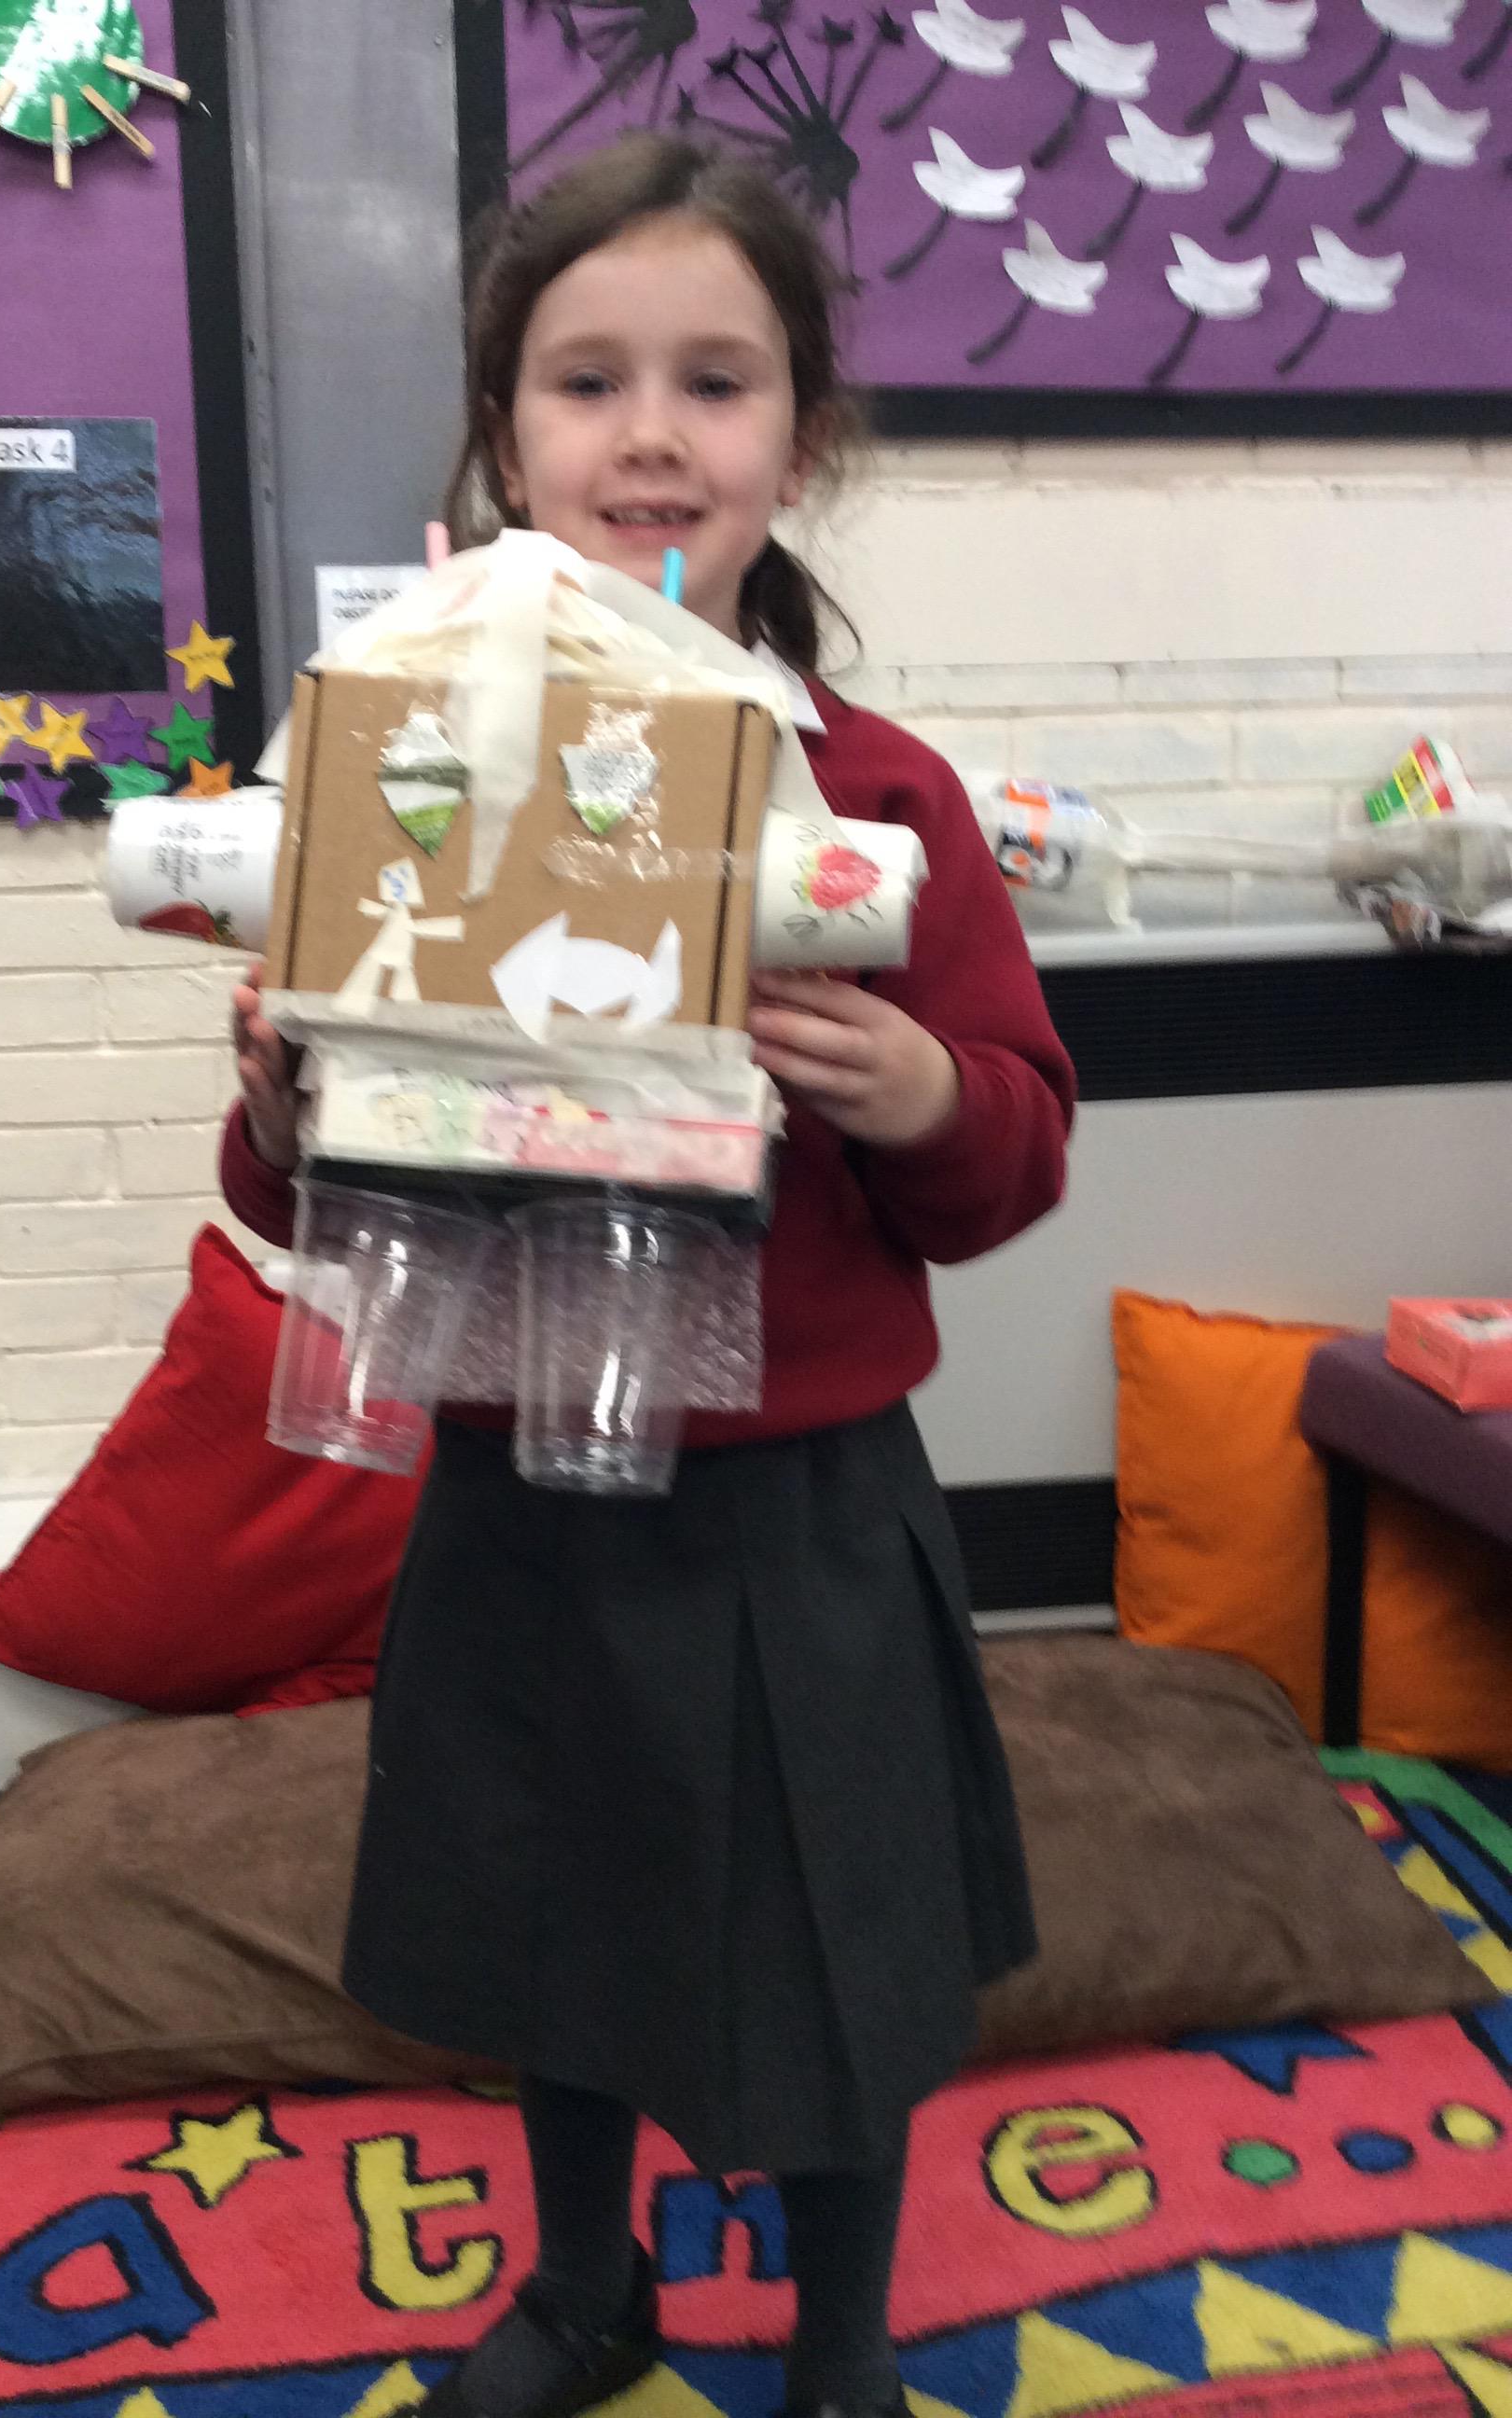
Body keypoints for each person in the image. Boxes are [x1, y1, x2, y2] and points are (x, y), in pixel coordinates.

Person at [223, 132, 1075, 2418]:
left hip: (799, 1511)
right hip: (520, 1480)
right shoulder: (410, 764)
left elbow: (1008, 1155)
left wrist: (915, 1084)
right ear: (505, 438)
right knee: (549, 1918)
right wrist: (290, 1093)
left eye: (715, 380)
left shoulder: (870, 796)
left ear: (801, 434)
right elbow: (307, 1183)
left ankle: (840, 2348)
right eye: (585, 381)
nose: (649, 434)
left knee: (840, 1950)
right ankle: (587, 2288)